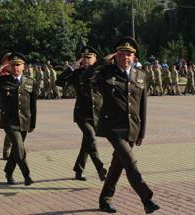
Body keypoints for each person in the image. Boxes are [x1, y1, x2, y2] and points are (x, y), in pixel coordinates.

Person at [95, 37, 159, 214]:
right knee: (130, 162)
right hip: (113, 127)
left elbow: (142, 106)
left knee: (117, 165)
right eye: (122, 54)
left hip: (132, 127)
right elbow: (87, 77)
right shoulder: (106, 73)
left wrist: (141, 132)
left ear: (135, 56)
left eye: (129, 54)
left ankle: (105, 199)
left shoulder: (141, 75)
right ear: (116, 56)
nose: (126, 57)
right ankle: (147, 199)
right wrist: (103, 60)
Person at [0, 52, 36, 186]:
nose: (16, 68)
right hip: (9, 122)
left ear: (24, 66)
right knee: (19, 147)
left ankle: (8, 172)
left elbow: (33, 105)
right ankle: (27, 175)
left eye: (18, 65)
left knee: (16, 150)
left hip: (24, 121)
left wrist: (32, 124)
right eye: (13, 65)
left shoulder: (30, 81)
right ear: (9, 67)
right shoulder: (2, 81)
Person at [56, 46, 107, 182]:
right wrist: (71, 68)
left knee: (87, 143)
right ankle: (100, 168)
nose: (85, 60)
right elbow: (59, 82)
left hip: (96, 114)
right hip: (81, 114)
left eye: (89, 57)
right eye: (83, 57)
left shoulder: (101, 73)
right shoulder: (77, 73)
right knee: (91, 138)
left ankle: (78, 170)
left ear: (95, 58)